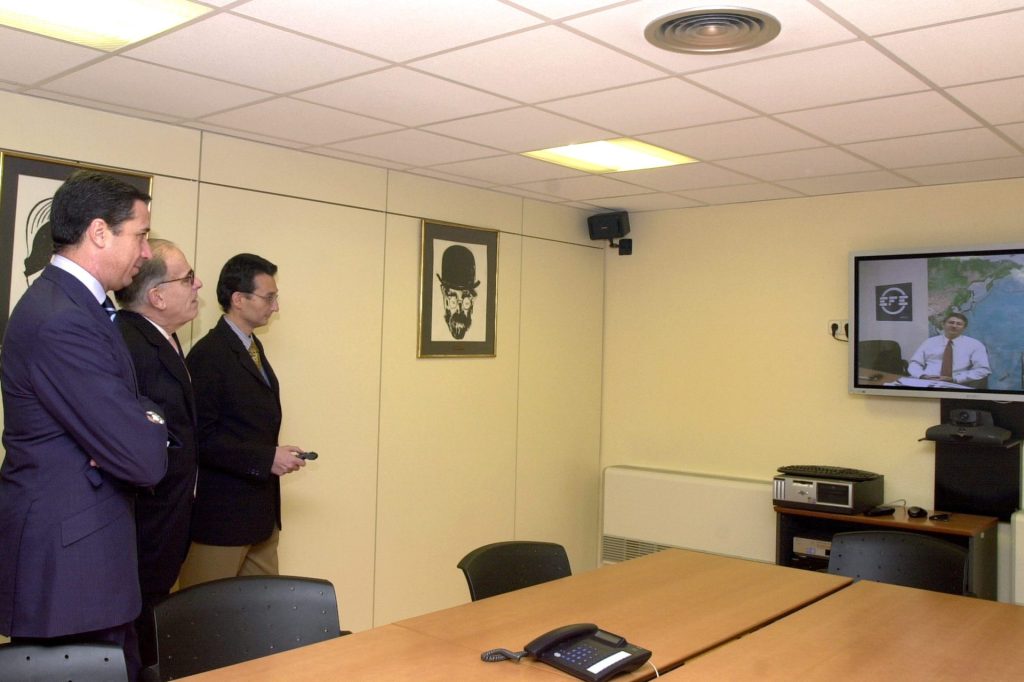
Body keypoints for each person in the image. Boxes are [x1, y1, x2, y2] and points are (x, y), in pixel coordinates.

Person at [0, 171, 168, 681]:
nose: (145, 251)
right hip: (70, 570)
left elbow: (137, 422)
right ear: (100, 232)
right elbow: (144, 458)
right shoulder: (62, 318)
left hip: (86, 559)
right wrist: (137, 430)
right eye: (139, 235)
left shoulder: (79, 307)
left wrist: (137, 424)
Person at [178, 253, 306, 587]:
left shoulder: (252, 347)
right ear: (238, 299)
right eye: (269, 297)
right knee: (205, 619)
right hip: (223, 518)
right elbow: (201, 439)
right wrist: (266, 458)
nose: (275, 307)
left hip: (260, 516)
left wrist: (275, 455)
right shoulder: (209, 354)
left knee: (263, 621)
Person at [113, 239, 202, 666]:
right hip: (146, 526)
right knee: (139, 638)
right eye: (187, 278)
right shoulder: (129, 345)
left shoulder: (164, 338)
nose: (198, 284)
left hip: (167, 522)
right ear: (157, 295)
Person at [907, 312, 991, 385]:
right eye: (951, 322)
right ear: (943, 324)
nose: (954, 326)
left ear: (964, 328)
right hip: (927, 382)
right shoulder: (929, 342)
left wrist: (955, 379)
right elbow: (914, 363)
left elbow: (983, 369)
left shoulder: (975, 344)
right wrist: (922, 375)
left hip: (957, 384)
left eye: (959, 324)